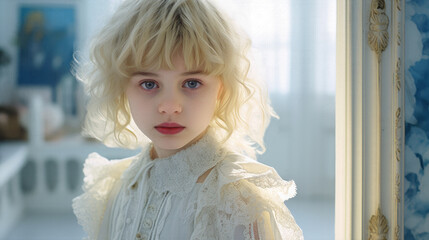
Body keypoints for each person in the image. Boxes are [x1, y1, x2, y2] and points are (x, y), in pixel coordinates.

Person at [72, 0, 303, 239]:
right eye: (149, 84)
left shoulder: (239, 202)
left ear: (221, 90)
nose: (170, 106)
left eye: (192, 83)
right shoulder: (115, 186)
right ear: (123, 89)